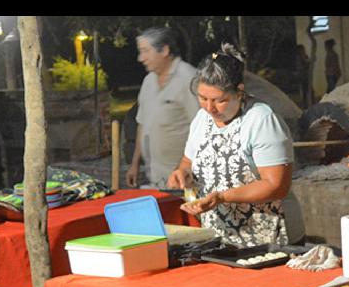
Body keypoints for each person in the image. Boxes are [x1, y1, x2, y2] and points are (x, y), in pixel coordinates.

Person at [166, 43, 304, 247]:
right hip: (220, 235)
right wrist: (183, 172)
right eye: (203, 98)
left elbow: (276, 185)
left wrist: (223, 197)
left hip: (269, 237)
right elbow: (188, 160)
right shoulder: (201, 119)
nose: (209, 108)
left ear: (239, 92)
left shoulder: (261, 120)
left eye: (219, 100)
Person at [127, 27, 200, 189]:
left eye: (146, 51)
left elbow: (202, 129)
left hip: (184, 178)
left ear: (165, 50)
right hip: (155, 174)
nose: (141, 58)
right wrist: (135, 164)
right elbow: (142, 123)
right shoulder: (148, 82)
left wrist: (182, 169)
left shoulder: (188, 78)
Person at [295, 44, 312, 109]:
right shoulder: (299, 57)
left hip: (306, 76)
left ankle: (308, 104)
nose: (303, 50)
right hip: (302, 77)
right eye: (302, 49)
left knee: (308, 91)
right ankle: (306, 106)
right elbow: (300, 67)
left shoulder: (305, 56)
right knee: (305, 91)